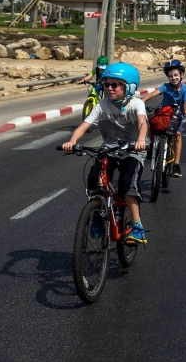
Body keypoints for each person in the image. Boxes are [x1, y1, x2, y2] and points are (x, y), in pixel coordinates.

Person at [62, 63, 149, 244]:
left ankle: (137, 226)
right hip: (109, 148)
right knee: (95, 179)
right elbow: (84, 126)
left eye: (115, 85)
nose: (109, 88)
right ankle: (96, 215)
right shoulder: (102, 106)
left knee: (128, 184)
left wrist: (141, 140)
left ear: (129, 87)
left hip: (133, 149)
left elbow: (143, 123)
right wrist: (72, 142)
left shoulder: (136, 103)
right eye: (106, 84)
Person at [141, 60, 186, 178]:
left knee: (178, 135)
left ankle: (176, 165)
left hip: (176, 116)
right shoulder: (165, 87)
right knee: (151, 123)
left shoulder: (185, 89)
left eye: (176, 75)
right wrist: (142, 101)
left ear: (181, 75)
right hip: (163, 114)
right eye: (170, 76)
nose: (173, 78)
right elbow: (154, 93)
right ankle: (153, 146)